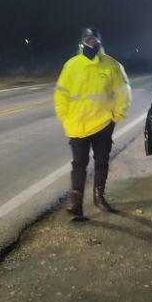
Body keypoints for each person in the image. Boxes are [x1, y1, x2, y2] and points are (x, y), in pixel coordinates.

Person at [54, 27, 131, 221]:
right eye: (88, 40)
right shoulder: (71, 65)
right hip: (77, 126)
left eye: (95, 41)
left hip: (103, 124)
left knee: (101, 162)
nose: (92, 44)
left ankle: (99, 197)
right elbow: (61, 93)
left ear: (100, 43)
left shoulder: (111, 65)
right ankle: (76, 205)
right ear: (82, 42)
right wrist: (65, 116)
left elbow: (123, 92)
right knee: (79, 164)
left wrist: (117, 114)